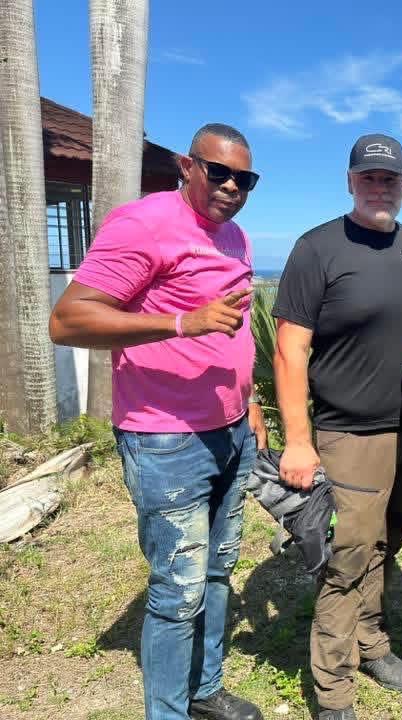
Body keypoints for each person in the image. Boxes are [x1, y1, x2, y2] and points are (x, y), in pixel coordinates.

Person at [49, 124, 266, 720]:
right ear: (187, 166)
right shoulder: (144, 223)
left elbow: (235, 327)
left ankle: (204, 692)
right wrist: (178, 324)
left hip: (231, 431)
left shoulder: (235, 237)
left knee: (219, 570)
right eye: (218, 171)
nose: (230, 186)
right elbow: (68, 322)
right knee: (179, 589)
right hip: (166, 436)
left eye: (244, 178)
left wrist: (251, 406)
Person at [271, 133, 402, 720]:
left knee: (385, 545)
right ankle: (333, 691)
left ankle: (370, 643)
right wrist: (298, 439)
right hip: (347, 434)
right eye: (368, 177)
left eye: (389, 178)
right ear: (349, 181)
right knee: (344, 560)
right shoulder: (317, 248)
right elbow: (290, 349)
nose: (379, 187)